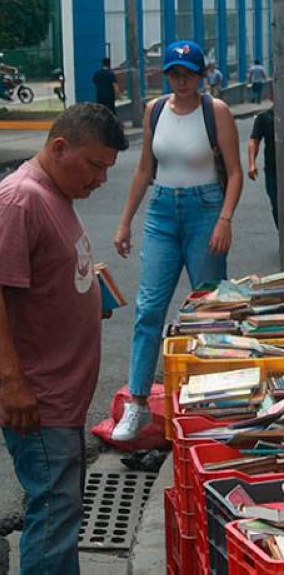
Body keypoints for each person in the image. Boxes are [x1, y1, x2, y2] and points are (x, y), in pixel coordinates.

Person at [0, 103, 128, 573]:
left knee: (62, 513)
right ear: (59, 147)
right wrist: (12, 383)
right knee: (53, 515)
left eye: (107, 169)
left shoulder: (56, 196)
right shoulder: (20, 200)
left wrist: (88, 294)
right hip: (39, 399)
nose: (100, 180)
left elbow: (39, 277)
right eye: (95, 166)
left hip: (62, 398)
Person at [111, 40, 243, 441]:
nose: (181, 81)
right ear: (166, 75)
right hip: (162, 212)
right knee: (149, 310)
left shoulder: (215, 111)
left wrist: (224, 219)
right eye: (174, 73)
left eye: (188, 74)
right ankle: (137, 404)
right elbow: (144, 170)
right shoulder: (155, 110)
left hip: (206, 210)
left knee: (208, 311)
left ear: (202, 76)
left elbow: (235, 173)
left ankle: (215, 402)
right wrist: (125, 222)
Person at [248, 105, 278, 228]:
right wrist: (251, 163)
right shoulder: (264, 117)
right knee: (276, 205)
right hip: (272, 171)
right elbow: (254, 141)